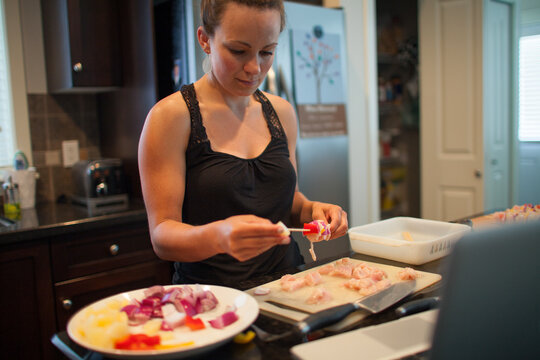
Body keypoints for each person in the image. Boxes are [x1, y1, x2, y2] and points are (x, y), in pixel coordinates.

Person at [138, 0, 348, 288]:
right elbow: (162, 236)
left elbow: (288, 201)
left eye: (267, 52)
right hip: (212, 299)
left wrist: (312, 209)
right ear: (205, 40)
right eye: (238, 51)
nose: (254, 68)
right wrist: (218, 237)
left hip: (289, 286)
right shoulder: (171, 118)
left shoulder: (282, 113)